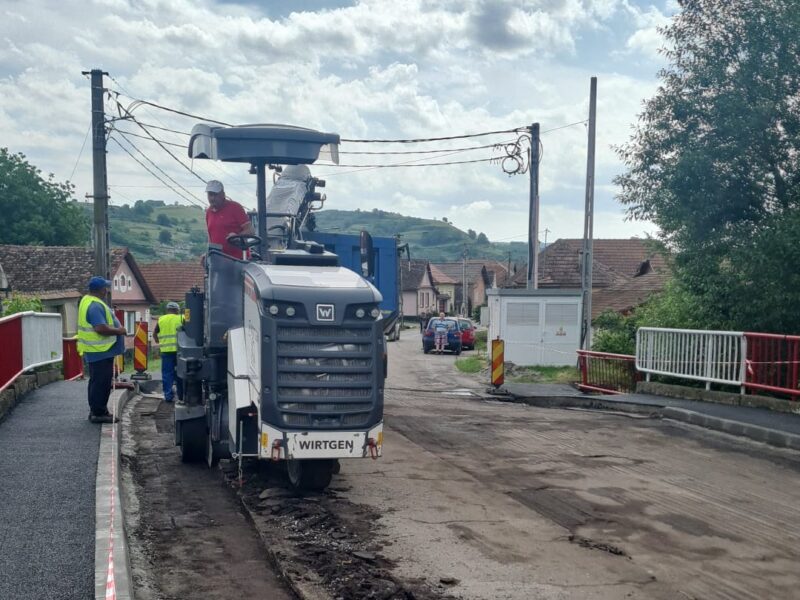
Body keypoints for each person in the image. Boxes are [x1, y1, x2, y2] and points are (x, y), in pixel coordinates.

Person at [77, 276, 126, 423]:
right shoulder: (95, 305)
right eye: (105, 288)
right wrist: (119, 331)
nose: (107, 291)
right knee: (101, 382)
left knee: (97, 381)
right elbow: (100, 328)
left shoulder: (87, 301)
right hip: (100, 350)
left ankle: (98, 410)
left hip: (98, 350)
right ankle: (98, 413)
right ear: (101, 290)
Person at [205, 180, 256, 258]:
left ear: (223, 195)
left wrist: (237, 236)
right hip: (218, 260)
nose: (212, 198)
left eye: (215, 195)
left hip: (237, 260)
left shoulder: (235, 208)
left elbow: (250, 230)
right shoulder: (208, 212)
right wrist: (207, 254)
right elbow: (211, 238)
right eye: (210, 195)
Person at [153, 301, 183, 403]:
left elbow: (155, 333)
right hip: (180, 351)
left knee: (167, 374)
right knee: (181, 373)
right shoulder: (181, 318)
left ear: (167, 310)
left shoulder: (161, 319)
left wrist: (158, 341)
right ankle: (181, 395)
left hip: (166, 351)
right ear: (177, 310)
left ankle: (168, 396)